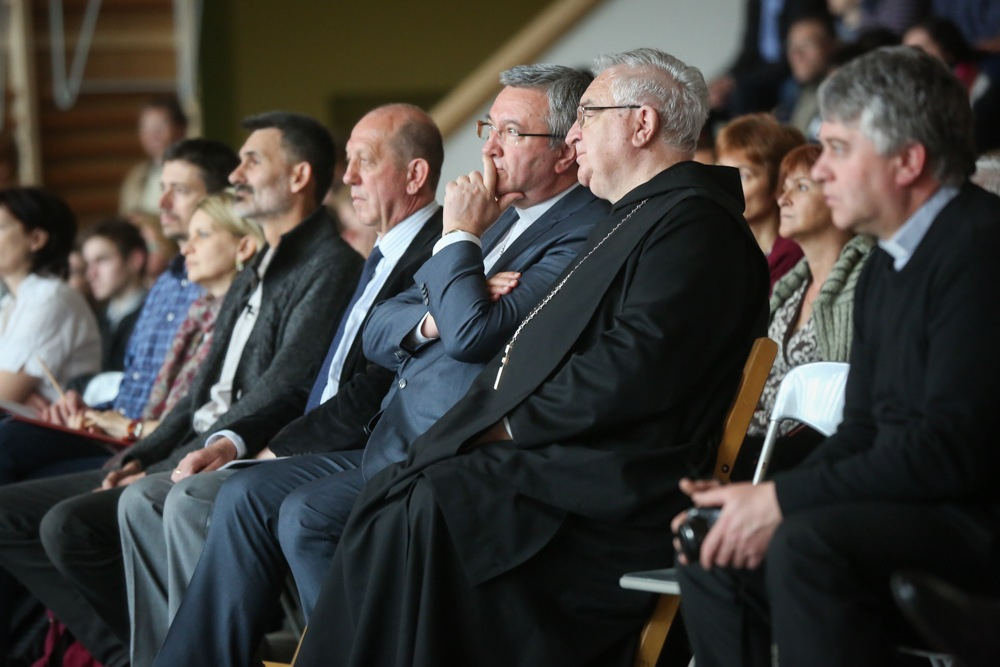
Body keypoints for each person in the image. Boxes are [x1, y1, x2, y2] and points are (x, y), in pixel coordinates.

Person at [278, 47, 768, 667]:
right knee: (403, 495)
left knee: (420, 506)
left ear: (642, 125)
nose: (574, 134)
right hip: (569, 457)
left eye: (588, 115)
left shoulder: (695, 226)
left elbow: (632, 369)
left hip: (613, 487)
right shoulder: (640, 217)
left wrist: (503, 425)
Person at [151, 66, 607, 667]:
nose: (490, 148)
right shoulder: (498, 221)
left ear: (565, 152)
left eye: (511, 132)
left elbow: (473, 334)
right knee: (243, 494)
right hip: (392, 438)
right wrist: (438, 312)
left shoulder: (581, 230)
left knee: (307, 514)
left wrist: (458, 240)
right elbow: (382, 329)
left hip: (452, 451)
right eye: (489, 128)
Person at [675, 45, 1000, 667]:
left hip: (974, 519)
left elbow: (950, 451)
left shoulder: (979, 249)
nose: (819, 171)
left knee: (805, 545)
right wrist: (755, 500)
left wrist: (781, 502)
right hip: (913, 508)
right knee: (713, 546)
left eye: (839, 149)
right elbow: (863, 431)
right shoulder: (885, 263)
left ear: (908, 161)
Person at [0, 111, 361, 667]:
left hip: (240, 449)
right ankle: (153, 656)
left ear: (298, 177)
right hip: (195, 443)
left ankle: (169, 655)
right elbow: (197, 393)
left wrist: (175, 457)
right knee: (68, 515)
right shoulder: (260, 264)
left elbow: (285, 387)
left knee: (109, 509)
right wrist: (142, 453)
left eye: (252, 160)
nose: (236, 174)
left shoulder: (328, 264)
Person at [123, 102, 446, 666]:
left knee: (196, 498)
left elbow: (375, 388)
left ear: (415, 175)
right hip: (314, 437)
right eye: (347, 161)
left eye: (364, 162)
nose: (346, 178)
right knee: (150, 496)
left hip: (369, 447)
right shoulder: (379, 252)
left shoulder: (438, 250)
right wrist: (233, 442)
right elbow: (307, 386)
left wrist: (278, 449)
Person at [734, 144, 874, 480]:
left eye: (800, 187)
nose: (782, 199)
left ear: (838, 196)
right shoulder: (791, 288)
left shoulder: (864, 284)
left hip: (804, 458)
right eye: (784, 188)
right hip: (756, 441)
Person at [80, 192, 264, 444]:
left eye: (202, 235)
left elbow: (205, 425)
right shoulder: (199, 310)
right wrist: (100, 418)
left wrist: (131, 428)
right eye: (189, 237)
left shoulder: (247, 314)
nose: (186, 248)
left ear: (243, 247)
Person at [0, 187, 100, 407]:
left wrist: (18, 394)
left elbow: (4, 395)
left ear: (36, 239)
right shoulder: (11, 302)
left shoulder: (50, 297)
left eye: (0, 227)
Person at [716, 113, 807, 287]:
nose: (724, 185)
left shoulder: (794, 258)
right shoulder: (719, 247)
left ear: (779, 184)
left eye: (742, 176)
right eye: (721, 171)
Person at [77, 219, 149, 382]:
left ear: (135, 260)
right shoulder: (93, 320)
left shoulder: (157, 318)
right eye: (88, 264)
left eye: (101, 260)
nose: (91, 274)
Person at [119, 96, 188, 221]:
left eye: (159, 127)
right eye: (145, 128)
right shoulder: (136, 176)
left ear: (181, 128)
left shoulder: (193, 172)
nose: (152, 135)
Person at [776, 14, 839, 139]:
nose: (796, 54)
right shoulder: (797, 93)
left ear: (831, 46)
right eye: (791, 47)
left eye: (806, 45)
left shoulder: (841, 95)